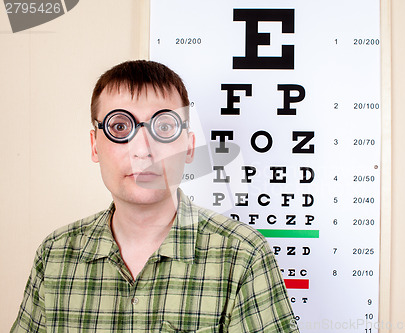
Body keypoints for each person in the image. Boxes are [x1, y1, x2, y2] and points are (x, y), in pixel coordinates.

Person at [11, 60, 299, 332]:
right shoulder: (55, 256)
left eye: (163, 127)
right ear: (95, 146)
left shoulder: (243, 255)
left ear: (188, 146)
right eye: (120, 127)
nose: (142, 151)